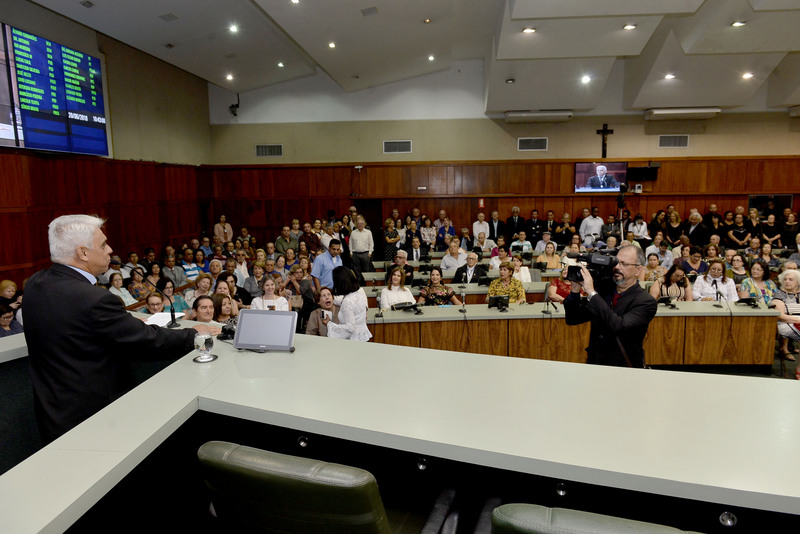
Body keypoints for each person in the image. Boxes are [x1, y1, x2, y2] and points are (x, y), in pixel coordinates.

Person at [23, 215, 218, 444]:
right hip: (91, 417)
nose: (110, 250)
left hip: (51, 411)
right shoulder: (93, 298)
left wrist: (121, 322)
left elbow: (77, 327)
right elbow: (145, 341)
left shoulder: (36, 283)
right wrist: (194, 334)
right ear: (83, 252)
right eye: (103, 244)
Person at [564, 245, 658, 367]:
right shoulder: (604, 292)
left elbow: (619, 326)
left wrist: (591, 292)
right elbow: (573, 319)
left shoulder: (646, 301)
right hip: (595, 363)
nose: (617, 267)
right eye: (616, 262)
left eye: (624, 264)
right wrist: (575, 291)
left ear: (638, 270)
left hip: (624, 367)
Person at [324, 266, 371, 342]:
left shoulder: (347, 301)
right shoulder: (358, 294)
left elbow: (350, 328)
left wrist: (329, 324)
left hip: (354, 342)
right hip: (363, 338)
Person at [770, 269, 800, 360]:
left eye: (791, 280)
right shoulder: (779, 294)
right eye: (785, 279)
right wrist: (798, 320)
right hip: (784, 323)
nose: (787, 281)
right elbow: (781, 316)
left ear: (798, 282)